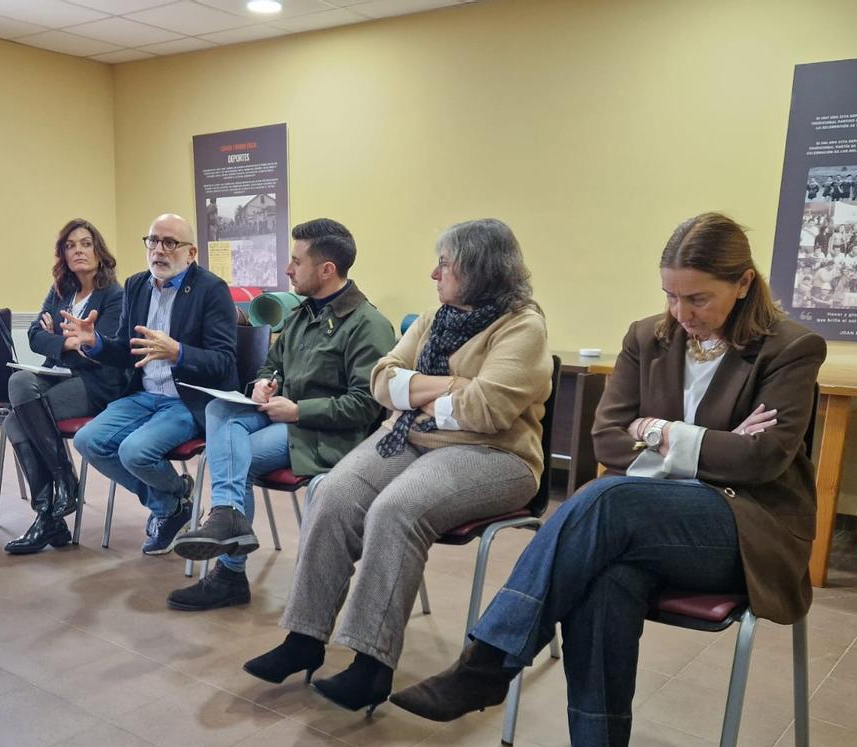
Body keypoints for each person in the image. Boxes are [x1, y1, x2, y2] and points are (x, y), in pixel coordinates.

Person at [390, 212, 826, 747]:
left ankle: (487, 665)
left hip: (742, 525)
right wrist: (702, 440)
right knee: (606, 574)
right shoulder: (647, 337)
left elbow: (762, 460)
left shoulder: (790, 347)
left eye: (698, 297)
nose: (682, 312)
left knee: (603, 501)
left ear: (743, 284)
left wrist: (660, 432)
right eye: (671, 295)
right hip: (641, 521)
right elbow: (607, 439)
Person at [242, 218, 552, 713]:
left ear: (479, 269)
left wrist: (418, 391)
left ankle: (372, 663)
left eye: (444, 264)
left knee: (395, 509)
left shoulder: (522, 326)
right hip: (411, 438)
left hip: (495, 455)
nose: (434, 273)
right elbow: (381, 380)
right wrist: (450, 389)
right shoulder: (437, 316)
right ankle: (305, 637)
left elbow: (489, 411)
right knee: (333, 492)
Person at [166, 218, 396, 611]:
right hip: (279, 415)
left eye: (296, 261)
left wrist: (298, 410)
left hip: (323, 433)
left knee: (229, 459)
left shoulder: (369, 325)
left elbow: (366, 406)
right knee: (221, 408)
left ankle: (230, 567)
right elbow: (270, 365)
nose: (288, 269)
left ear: (327, 270)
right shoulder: (302, 314)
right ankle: (228, 518)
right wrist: (264, 383)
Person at [65, 213, 237, 555]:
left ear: (190, 254)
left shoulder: (211, 290)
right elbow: (129, 352)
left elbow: (224, 361)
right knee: (87, 441)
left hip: (187, 399)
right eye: (153, 241)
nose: (159, 250)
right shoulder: (136, 285)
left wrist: (179, 353)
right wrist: (95, 342)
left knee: (134, 452)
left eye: (170, 243)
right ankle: (173, 503)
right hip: (144, 395)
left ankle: (168, 507)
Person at [3, 219, 126, 554]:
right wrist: (69, 343)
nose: (78, 251)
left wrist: (58, 339)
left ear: (99, 251)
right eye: (71, 246)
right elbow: (33, 336)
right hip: (57, 377)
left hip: (97, 384)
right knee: (18, 381)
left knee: (16, 420)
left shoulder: (114, 295)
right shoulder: (61, 291)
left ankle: (50, 513)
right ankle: (61, 491)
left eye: (86, 244)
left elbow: (105, 348)